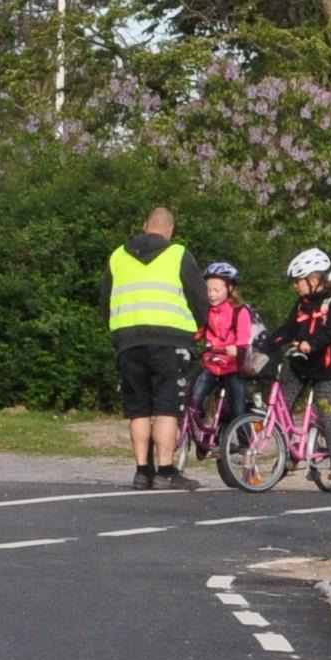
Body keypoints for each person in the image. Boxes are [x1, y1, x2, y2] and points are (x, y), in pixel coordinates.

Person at [103, 206, 205, 490]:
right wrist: (200, 325)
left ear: (145, 224)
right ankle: (165, 471)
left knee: (138, 409)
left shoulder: (118, 256)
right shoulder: (178, 254)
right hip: (169, 340)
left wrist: (119, 333)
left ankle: (140, 471)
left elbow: (105, 300)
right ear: (169, 229)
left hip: (129, 339)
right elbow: (198, 297)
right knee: (166, 408)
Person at [262, 248, 331, 425]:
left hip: (326, 369)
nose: (295, 286)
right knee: (281, 407)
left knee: (327, 417)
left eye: (298, 281)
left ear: (313, 280)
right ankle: (286, 448)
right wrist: (270, 342)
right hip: (302, 365)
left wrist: (311, 344)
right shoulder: (302, 304)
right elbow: (290, 328)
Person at [189, 260, 258, 442]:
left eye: (216, 290)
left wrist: (237, 348)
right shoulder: (207, 311)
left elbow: (244, 336)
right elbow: (199, 332)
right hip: (212, 364)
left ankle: (246, 448)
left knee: (237, 409)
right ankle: (204, 432)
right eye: (208, 290)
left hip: (233, 366)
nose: (211, 295)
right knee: (194, 400)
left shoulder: (239, 311)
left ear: (229, 289)